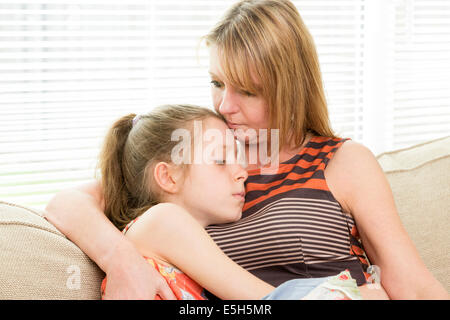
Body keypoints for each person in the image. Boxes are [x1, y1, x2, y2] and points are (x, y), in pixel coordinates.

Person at [44, 0, 448, 299]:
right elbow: (67, 204)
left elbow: (409, 282)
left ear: (290, 88)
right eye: (217, 83)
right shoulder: (201, 156)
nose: (225, 106)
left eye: (248, 91)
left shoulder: (343, 161)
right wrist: (121, 259)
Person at [95, 104, 364, 300]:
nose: (242, 172)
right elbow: (268, 301)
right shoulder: (163, 221)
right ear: (168, 177)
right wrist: (355, 295)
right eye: (221, 160)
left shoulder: (163, 234)